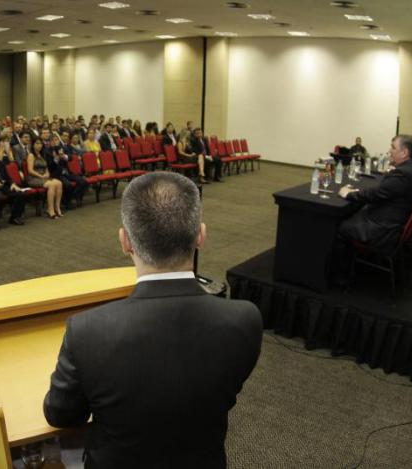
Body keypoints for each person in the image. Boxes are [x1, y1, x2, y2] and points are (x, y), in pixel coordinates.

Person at [44, 172, 263, 468]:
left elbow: (61, 415)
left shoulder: (86, 331)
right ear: (200, 236)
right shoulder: (245, 320)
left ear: (125, 242)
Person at [338, 135, 412, 253]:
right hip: (392, 221)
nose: (390, 151)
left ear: (404, 153)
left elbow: (377, 194)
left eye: (393, 148)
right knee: (354, 213)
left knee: (338, 224)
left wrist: (349, 194)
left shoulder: (403, 174)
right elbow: (384, 191)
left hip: (382, 230)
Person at [26, 139, 63, 218]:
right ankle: (50, 210)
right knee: (52, 185)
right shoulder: (31, 155)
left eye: (40, 144)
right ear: (33, 145)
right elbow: (30, 170)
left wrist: (47, 174)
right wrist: (40, 176)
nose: (39, 145)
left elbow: (46, 168)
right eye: (37, 143)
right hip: (34, 178)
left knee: (59, 183)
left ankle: (57, 207)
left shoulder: (42, 154)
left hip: (43, 177)